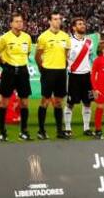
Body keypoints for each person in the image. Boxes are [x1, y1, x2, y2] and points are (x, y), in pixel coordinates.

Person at [0, 12, 32, 141]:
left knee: (24, 102)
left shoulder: (27, 37)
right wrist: (4, 65)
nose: (19, 23)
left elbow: (28, 53)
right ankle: (2, 132)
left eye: (21, 21)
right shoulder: (4, 38)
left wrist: (20, 63)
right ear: (11, 23)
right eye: (16, 21)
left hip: (22, 71)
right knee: (4, 102)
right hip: (9, 71)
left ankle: (24, 131)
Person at [34, 12, 69, 140]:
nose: (57, 21)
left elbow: (66, 55)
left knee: (59, 102)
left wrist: (63, 66)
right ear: (49, 21)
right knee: (45, 100)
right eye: (54, 19)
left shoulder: (65, 36)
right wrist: (42, 69)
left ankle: (59, 131)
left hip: (61, 72)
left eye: (59, 19)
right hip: (48, 72)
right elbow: (37, 56)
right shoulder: (43, 37)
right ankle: (41, 130)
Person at [64, 17, 95, 136]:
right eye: (79, 24)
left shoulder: (89, 42)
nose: (82, 26)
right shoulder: (69, 41)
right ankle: (68, 128)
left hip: (86, 76)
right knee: (70, 103)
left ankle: (86, 128)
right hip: (74, 76)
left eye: (83, 24)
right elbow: (65, 57)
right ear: (74, 27)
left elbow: (90, 56)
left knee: (87, 102)